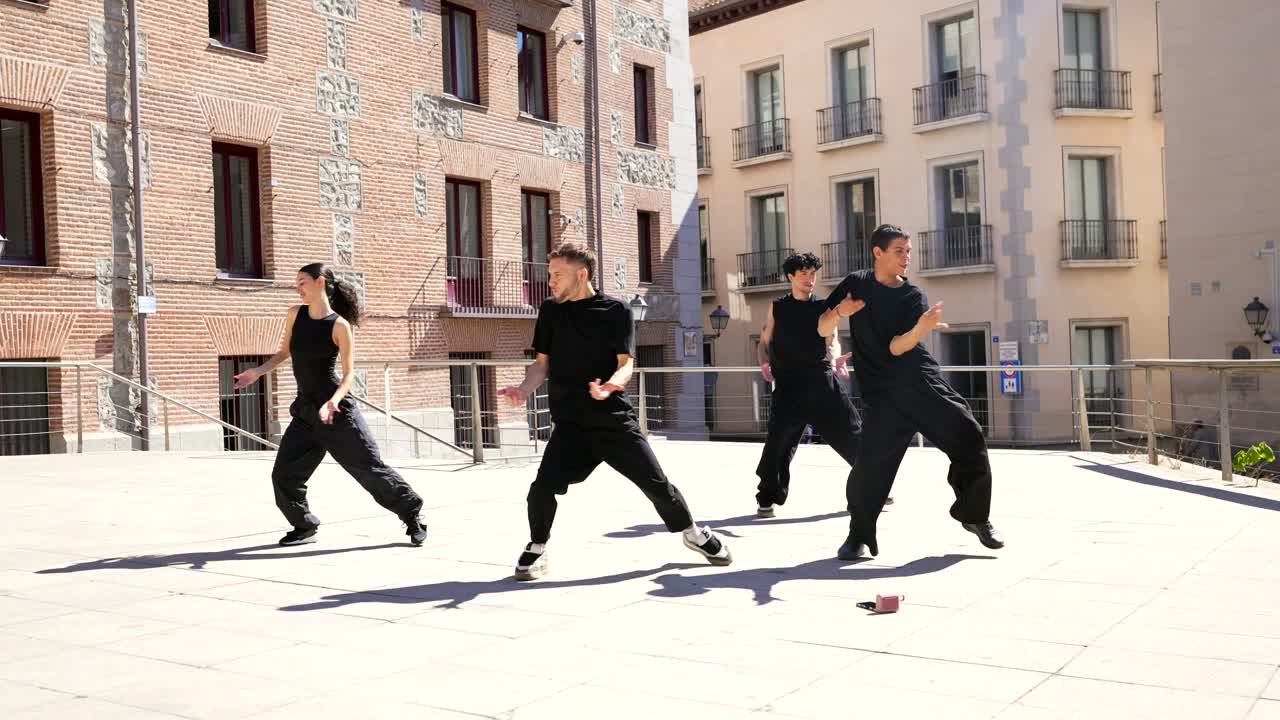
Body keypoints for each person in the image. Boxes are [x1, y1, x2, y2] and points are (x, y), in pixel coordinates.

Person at [497, 243, 732, 580]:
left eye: (557, 275)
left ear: (582, 274)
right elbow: (541, 365)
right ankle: (537, 547)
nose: (550, 281)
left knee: (656, 484)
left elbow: (626, 364)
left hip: (613, 421)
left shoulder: (616, 311)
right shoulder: (550, 311)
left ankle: (693, 533)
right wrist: (523, 389)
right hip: (570, 424)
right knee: (542, 487)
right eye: (549, 275)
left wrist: (610, 386)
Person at [818, 225, 1004, 560]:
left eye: (909, 251)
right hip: (882, 396)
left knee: (969, 436)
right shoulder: (855, 283)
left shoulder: (912, 297)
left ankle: (975, 517)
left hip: (920, 384)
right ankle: (859, 535)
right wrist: (839, 314)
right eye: (899, 251)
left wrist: (921, 328)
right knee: (870, 467)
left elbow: (896, 347)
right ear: (878, 253)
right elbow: (822, 326)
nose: (907, 257)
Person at [234, 263, 428, 547]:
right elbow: (285, 352)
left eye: (302, 282)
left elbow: (349, 374)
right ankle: (304, 526)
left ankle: (412, 517)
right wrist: (258, 371)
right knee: (284, 475)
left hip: (338, 414)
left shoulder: (339, 325)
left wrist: (334, 402)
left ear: (320, 282)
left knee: (369, 469)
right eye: (296, 283)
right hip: (306, 412)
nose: (297, 288)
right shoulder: (294, 315)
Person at [753, 252, 865, 519]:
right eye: (803, 273)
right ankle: (767, 497)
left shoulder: (823, 307)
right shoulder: (777, 307)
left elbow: (833, 340)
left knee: (852, 433)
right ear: (791, 276)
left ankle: (873, 484)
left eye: (813, 273)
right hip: (788, 385)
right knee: (777, 444)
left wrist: (836, 357)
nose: (809, 279)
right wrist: (764, 363)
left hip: (820, 382)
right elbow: (764, 341)